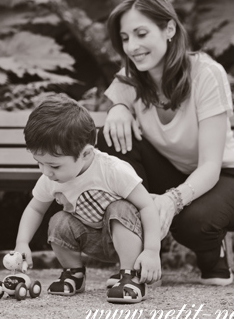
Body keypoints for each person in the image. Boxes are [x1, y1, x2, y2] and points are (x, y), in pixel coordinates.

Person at [99, 0, 234, 286]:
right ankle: (134, 262)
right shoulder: (131, 79)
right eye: (125, 38)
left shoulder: (206, 73)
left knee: (193, 223)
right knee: (110, 138)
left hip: (224, 177)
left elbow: (210, 165)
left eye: (141, 33)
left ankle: (213, 256)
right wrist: (118, 108)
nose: (132, 46)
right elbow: (117, 113)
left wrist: (171, 202)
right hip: (171, 173)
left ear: (169, 28)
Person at [12, 95, 161, 304]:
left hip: (127, 236)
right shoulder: (50, 178)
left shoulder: (112, 170)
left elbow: (147, 205)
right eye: (39, 163)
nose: (46, 172)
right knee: (58, 220)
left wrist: (152, 251)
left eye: (54, 166)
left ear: (86, 153)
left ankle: (131, 276)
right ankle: (74, 274)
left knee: (119, 208)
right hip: (90, 238)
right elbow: (35, 208)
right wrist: (22, 243)